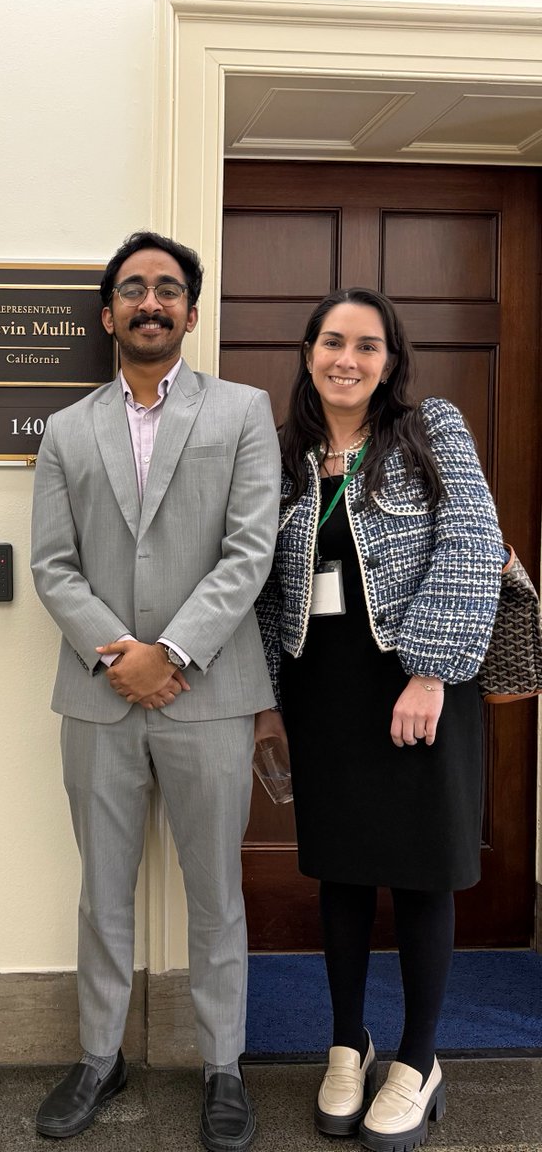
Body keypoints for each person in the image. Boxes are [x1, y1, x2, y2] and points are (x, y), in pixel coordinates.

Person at [30, 231, 280, 1151]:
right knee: (104, 892)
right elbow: (52, 567)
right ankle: (100, 1055)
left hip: (210, 695)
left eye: (168, 289)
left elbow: (250, 551)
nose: (150, 302)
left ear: (190, 311)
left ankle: (223, 1066)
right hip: (99, 698)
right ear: (108, 313)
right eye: (132, 289)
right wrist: (118, 654)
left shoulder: (244, 412)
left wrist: (170, 650)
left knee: (216, 892)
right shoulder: (66, 429)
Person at [254, 287, 502, 1152]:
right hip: (324, 693)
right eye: (331, 341)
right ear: (309, 351)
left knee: (423, 872)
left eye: (366, 345)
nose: (346, 359)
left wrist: (431, 670)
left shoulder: (430, 429)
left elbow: (472, 538)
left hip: (420, 687)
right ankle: (347, 1041)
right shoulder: (286, 454)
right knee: (344, 873)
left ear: (390, 360)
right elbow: (262, 583)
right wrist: (269, 704)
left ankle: (419, 1059)